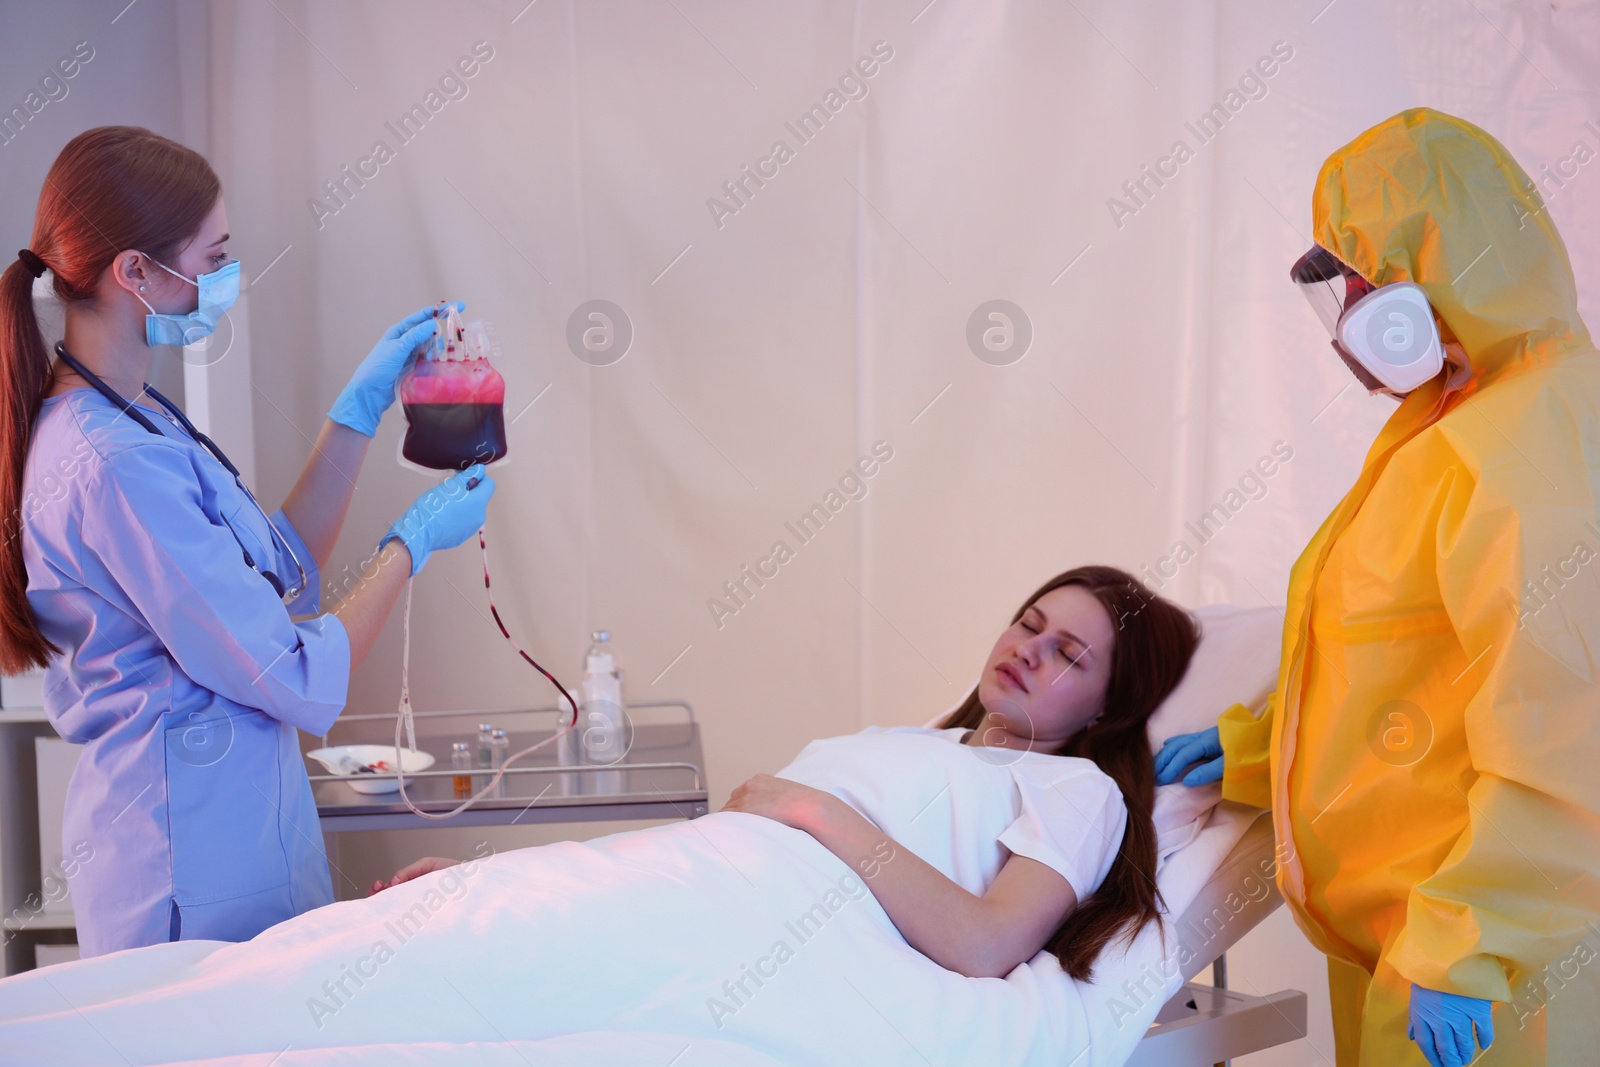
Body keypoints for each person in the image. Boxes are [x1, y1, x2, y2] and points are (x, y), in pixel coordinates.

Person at [1155, 108, 1600, 1067]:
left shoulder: (1528, 453)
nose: (1348, 322)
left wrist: (1473, 936)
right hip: (1416, 943)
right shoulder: (1456, 423)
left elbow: (1572, 728)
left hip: (1499, 977)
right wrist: (1256, 747)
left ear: (1428, 281)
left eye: (1359, 283)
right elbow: (1399, 666)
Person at [0, 126, 497, 956]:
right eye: (212, 255)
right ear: (135, 272)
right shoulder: (110, 463)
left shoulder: (138, 415)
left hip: (236, 835)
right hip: (182, 864)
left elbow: (280, 575)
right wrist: (410, 544)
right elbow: (291, 672)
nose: (225, 278)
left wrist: (355, 414)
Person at [377, 564, 1200, 982]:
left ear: (1106, 710)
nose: (1027, 648)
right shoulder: (917, 742)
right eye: (1029, 622)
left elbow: (986, 943)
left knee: (460, 951)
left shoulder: (1078, 792)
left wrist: (815, 812)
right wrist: (525, 875)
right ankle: (493, 897)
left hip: (766, 921)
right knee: (454, 928)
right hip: (714, 882)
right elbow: (717, 847)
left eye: (1068, 653)